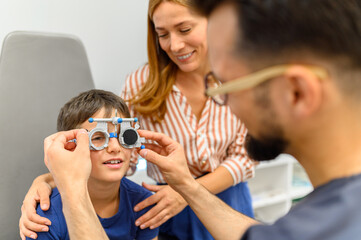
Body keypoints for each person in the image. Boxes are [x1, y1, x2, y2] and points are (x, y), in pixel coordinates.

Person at [25, 0, 361, 239]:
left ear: (298, 92)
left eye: (229, 85)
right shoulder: (323, 216)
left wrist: (187, 190)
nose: (222, 100)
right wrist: (52, 179)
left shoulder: (323, 223)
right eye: (163, 33)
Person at [19, 0, 255, 239]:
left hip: (226, 201)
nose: (174, 45)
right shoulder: (140, 85)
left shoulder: (241, 75)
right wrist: (47, 180)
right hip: (165, 210)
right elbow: (119, 152)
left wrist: (185, 192)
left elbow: (245, 158)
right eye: (162, 34)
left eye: (184, 29)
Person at [25, 89, 159, 240]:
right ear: (70, 147)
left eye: (125, 135)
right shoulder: (45, 218)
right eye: (97, 138)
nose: (115, 147)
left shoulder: (143, 203)